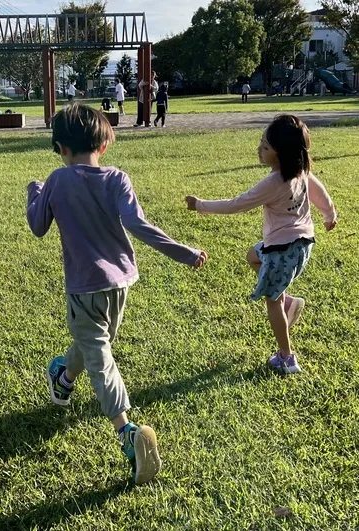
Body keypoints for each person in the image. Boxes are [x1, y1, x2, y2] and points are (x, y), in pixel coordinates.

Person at [26, 103, 207, 485]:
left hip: (84, 287)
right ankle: (63, 376)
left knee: (101, 358)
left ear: (60, 146)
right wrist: (185, 253)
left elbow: (37, 225)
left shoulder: (57, 179)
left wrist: (34, 191)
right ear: (104, 145)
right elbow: (138, 225)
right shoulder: (117, 178)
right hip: (121, 284)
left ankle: (127, 432)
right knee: (95, 346)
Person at [185, 115, 337, 374]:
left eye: (266, 147)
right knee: (253, 256)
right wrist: (329, 215)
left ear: (281, 154)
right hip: (300, 245)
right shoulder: (301, 171)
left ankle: (287, 358)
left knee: (272, 299)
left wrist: (200, 204)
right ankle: (289, 301)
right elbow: (320, 194)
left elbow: (237, 204)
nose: (260, 149)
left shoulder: (274, 182)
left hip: (283, 250)